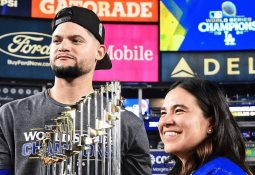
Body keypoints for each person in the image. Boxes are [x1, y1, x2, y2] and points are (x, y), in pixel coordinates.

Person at [0, 6, 151, 175]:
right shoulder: (10, 116)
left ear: (99, 52)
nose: (63, 46)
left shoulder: (127, 124)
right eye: (56, 40)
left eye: (76, 40)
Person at [158, 78, 253, 175]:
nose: (166, 121)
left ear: (212, 123)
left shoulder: (222, 172)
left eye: (179, 110)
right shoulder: (185, 170)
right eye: (163, 113)